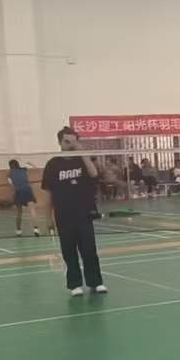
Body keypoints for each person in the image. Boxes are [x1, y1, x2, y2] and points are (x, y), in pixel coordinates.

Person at [41, 126, 107, 296]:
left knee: (89, 250)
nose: (70, 145)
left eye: (73, 141)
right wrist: (47, 218)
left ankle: (95, 282)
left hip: (84, 214)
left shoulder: (83, 161)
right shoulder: (52, 165)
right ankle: (74, 284)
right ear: (60, 142)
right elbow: (47, 194)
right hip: (64, 216)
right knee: (69, 252)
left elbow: (93, 174)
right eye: (67, 141)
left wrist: (81, 152)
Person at [7, 159, 41, 237]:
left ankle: (18, 231)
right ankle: (36, 229)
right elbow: (36, 169)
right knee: (32, 210)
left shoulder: (9, 174)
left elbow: (12, 185)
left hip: (18, 192)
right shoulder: (23, 170)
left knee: (19, 212)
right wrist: (30, 163)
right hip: (27, 191)